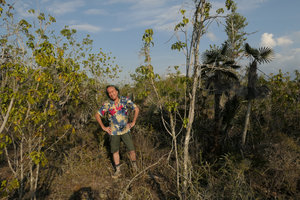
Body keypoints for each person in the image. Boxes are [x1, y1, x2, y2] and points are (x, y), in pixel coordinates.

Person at [95, 85, 139, 178]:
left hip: (125, 130)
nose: (112, 93)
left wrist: (133, 121)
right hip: (113, 132)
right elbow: (97, 115)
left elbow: (136, 109)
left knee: (131, 150)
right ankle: (118, 170)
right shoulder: (107, 104)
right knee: (115, 151)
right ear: (108, 94)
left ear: (117, 91)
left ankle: (135, 168)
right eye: (109, 92)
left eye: (113, 91)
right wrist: (104, 127)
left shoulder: (125, 100)